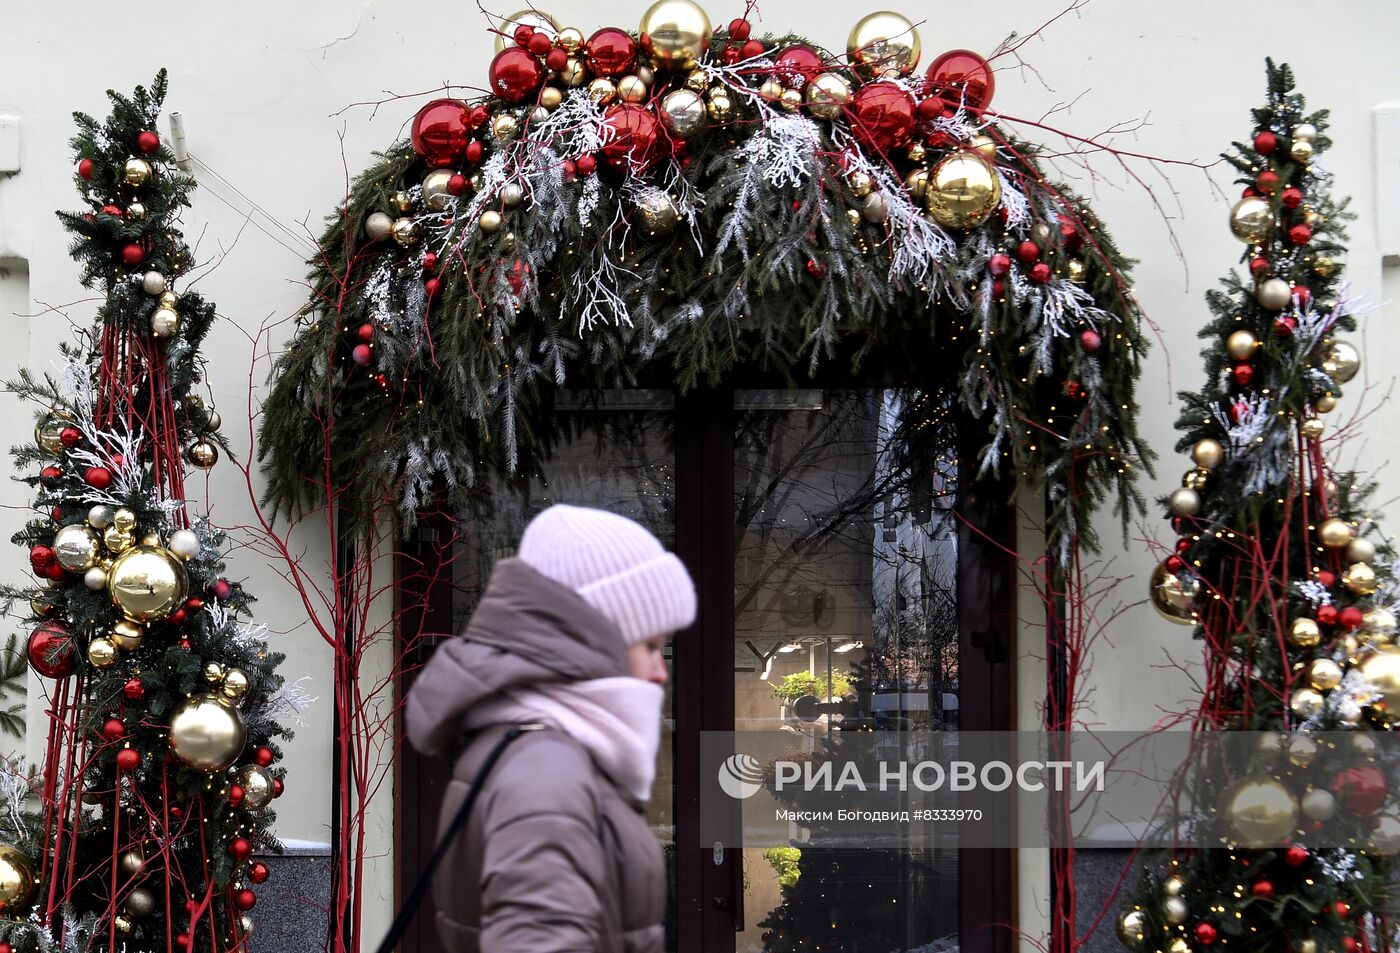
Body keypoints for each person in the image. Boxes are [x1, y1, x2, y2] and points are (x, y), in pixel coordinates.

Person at [406, 503, 696, 953]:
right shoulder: (547, 770)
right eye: (651, 645)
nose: (662, 671)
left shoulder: (534, 749)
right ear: (591, 639)